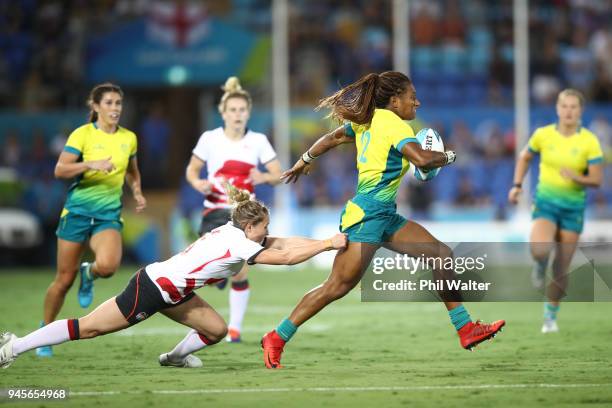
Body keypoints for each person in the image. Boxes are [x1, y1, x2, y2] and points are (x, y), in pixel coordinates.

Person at [261, 71, 505, 369]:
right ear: (394, 100)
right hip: (367, 217)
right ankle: (277, 336)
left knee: (441, 256)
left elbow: (334, 136)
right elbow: (424, 160)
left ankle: (466, 329)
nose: (418, 101)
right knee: (336, 286)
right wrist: (451, 156)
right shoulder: (392, 122)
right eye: (412, 96)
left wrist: (305, 160)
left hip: (383, 214)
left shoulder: (369, 121)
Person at [0, 185, 347, 369]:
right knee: (88, 327)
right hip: (151, 289)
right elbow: (285, 258)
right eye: (264, 228)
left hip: (175, 292)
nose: (268, 232)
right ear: (251, 226)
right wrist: (327, 245)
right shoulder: (240, 244)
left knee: (215, 331)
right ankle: (14, 346)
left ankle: (175, 358)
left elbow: (284, 243)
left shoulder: (234, 230)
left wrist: (325, 242)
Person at [37, 82, 147, 357]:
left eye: (118, 103)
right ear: (96, 106)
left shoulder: (128, 138)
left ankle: (90, 273)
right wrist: (90, 164)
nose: (115, 108)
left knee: (109, 266)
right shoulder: (82, 134)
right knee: (63, 280)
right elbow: (60, 170)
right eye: (108, 103)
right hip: (76, 214)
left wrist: (137, 191)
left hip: (107, 215)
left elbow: (132, 171)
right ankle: (45, 332)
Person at [185, 76, 281, 343]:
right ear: (223, 113)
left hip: (244, 216)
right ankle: (212, 294)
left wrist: (262, 176)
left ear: (248, 113)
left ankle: (235, 329)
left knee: (240, 268)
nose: (237, 114)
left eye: (242, 110)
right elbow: (192, 170)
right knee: (209, 273)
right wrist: (198, 182)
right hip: (214, 210)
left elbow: (277, 173)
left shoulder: (259, 140)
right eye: (233, 110)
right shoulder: (210, 139)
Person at [508, 88, 603, 334]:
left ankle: (550, 317)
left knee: (561, 267)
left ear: (580, 110)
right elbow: (524, 157)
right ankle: (539, 264)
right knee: (540, 248)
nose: (569, 111)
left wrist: (577, 178)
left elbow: (596, 179)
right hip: (546, 204)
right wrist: (517, 185)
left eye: (574, 107)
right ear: (558, 109)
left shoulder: (589, 141)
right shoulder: (543, 135)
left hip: (573, 209)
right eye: (565, 106)